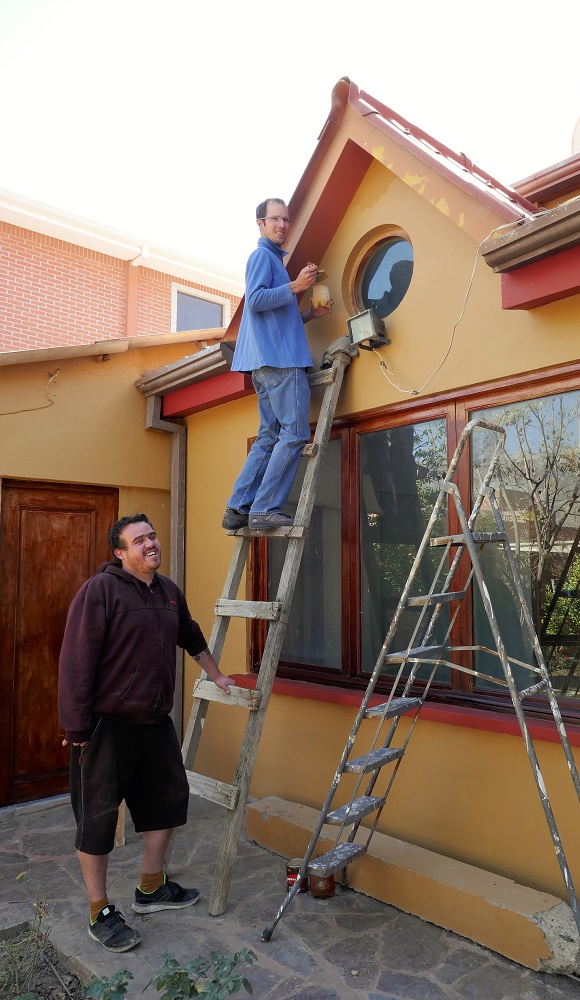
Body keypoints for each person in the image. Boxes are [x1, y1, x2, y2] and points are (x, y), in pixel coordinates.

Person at [58, 513, 234, 953]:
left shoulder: (168, 592)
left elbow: (191, 636)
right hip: (107, 726)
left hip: (155, 722)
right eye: (139, 540)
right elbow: (77, 660)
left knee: (168, 803)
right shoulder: (100, 591)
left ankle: (151, 888)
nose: (150, 543)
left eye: (152, 536)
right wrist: (76, 727)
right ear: (120, 553)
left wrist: (217, 675)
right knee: (97, 821)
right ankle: (99, 912)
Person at [222, 198, 332, 532]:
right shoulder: (261, 257)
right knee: (295, 433)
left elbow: (276, 320)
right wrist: (296, 286)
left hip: (265, 362)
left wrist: (310, 313)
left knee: (269, 436)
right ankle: (265, 508)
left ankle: (238, 507)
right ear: (260, 223)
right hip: (281, 362)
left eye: (286, 219)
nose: (282, 225)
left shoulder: (273, 261)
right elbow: (255, 301)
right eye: (275, 219)